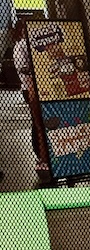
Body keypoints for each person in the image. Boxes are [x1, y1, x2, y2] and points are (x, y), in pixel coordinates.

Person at [11, 21, 49, 178]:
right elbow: (23, 68)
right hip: (30, 88)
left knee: (45, 120)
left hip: (43, 87)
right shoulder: (21, 46)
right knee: (37, 123)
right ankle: (41, 155)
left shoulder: (34, 43)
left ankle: (46, 155)